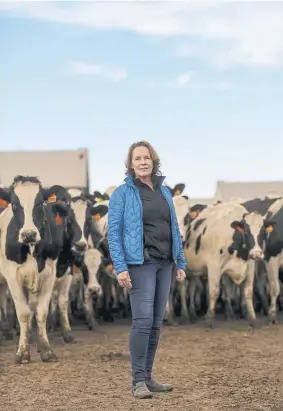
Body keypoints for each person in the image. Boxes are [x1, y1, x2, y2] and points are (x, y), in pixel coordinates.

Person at [107, 141, 187, 399]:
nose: (142, 162)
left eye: (146, 158)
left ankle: (149, 377)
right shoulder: (122, 193)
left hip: (165, 263)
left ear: (154, 161)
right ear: (130, 164)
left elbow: (174, 227)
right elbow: (114, 234)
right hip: (139, 264)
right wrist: (120, 267)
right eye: (137, 158)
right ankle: (138, 381)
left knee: (155, 323)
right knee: (141, 322)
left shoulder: (164, 192)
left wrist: (180, 261)